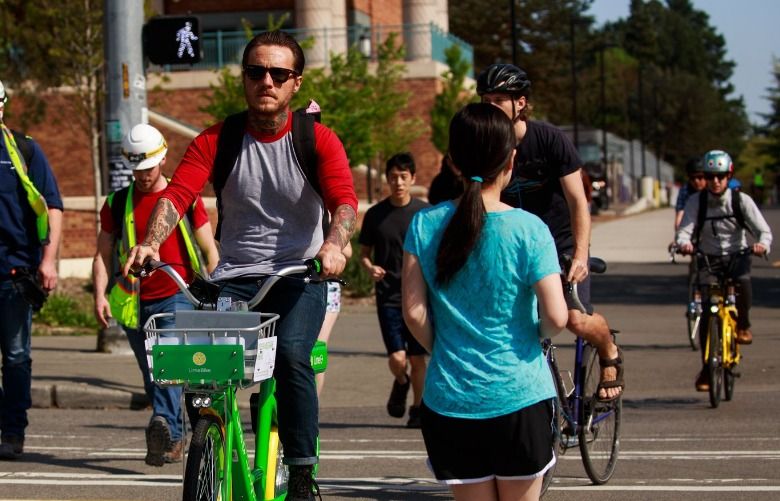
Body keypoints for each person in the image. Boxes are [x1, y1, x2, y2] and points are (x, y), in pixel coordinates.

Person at [122, 30, 357, 500]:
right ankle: (211, 441)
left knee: (292, 358)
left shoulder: (318, 140)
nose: (266, 81)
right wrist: (150, 243)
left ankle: (304, 475)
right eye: (256, 72)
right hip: (235, 277)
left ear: (295, 83)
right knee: (207, 369)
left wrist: (333, 245)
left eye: (278, 73)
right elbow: (177, 194)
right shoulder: (218, 139)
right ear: (244, 79)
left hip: (298, 275)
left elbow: (345, 203)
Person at [402, 103, 568, 500]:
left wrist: (443, 348)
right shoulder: (530, 229)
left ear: (453, 161)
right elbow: (557, 317)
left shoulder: (424, 224)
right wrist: (531, 338)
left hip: (451, 399)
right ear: (511, 160)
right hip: (519, 395)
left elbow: (412, 311)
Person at [477, 63, 624, 402]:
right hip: (513, 249)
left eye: (500, 100)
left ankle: (608, 349)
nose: (491, 108)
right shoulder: (486, 145)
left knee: (574, 319)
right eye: (486, 100)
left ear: (521, 103)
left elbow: (578, 201)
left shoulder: (549, 140)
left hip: (559, 245)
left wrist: (581, 255)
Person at [92, 123, 219, 466]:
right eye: (136, 168)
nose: (143, 174)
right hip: (135, 301)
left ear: (161, 160)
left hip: (179, 295)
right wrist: (100, 295)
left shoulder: (185, 198)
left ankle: (168, 434)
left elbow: (210, 250)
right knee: (157, 375)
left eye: (148, 166)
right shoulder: (117, 204)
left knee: (167, 364)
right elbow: (103, 254)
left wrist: (219, 292)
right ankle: (185, 435)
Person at [0, 79, 63, 460]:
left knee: (16, 356)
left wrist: (49, 259)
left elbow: (52, 205)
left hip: (13, 274)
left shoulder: (23, 150)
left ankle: (12, 430)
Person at [675, 150, 772, 391]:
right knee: (708, 312)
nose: (715, 181)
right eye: (710, 176)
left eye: (720, 176)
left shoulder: (741, 201)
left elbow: (763, 231)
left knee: (743, 283)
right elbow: (684, 230)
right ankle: (707, 369)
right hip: (709, 259)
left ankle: (743, 326)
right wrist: (684, 243)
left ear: (729, 176)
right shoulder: (696, 201)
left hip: (737, 256)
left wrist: (762, 245)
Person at [359, 152, 430, 428]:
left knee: (417, 357)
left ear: (412, 179)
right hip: (388, 296)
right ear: (387, 180)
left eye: (403, 177)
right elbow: (364, 253)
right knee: (398, 359)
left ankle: (417, 408)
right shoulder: (376, 215)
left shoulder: (424, 213)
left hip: (419, 296)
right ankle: (401, 381)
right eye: (393, 177)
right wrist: (370, 267)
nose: (398, 182)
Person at [315, 241, 352, 397]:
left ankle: (310, 412)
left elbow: (348, 251)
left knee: (316, 350)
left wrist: (329, 249)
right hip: (290, 283)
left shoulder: (328, 217)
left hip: (327, 286)